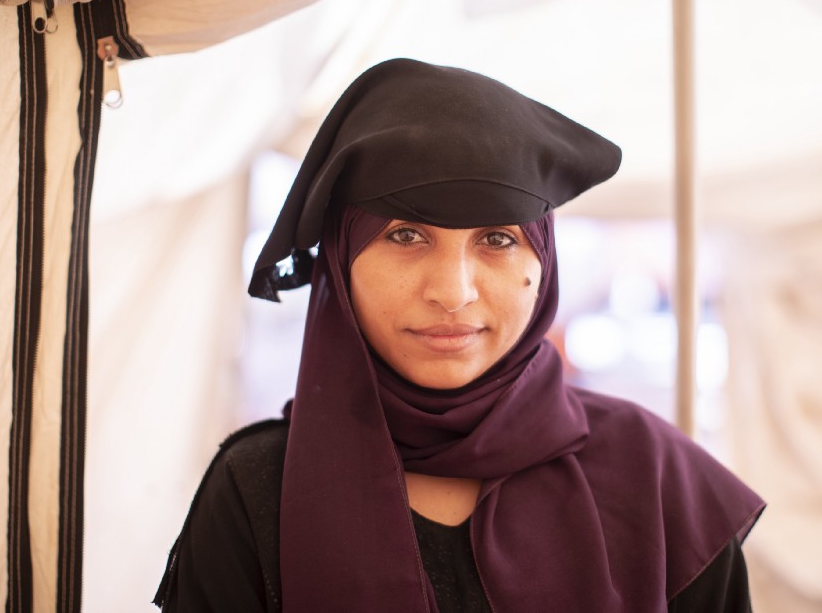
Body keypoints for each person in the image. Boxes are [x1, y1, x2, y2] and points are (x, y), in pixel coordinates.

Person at [154, 58, 764, 612]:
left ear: (542, 265)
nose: (453, 291)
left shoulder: (658, 479)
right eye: (404, 235)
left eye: (497, 239)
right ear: (341, 260)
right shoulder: (257, 489)